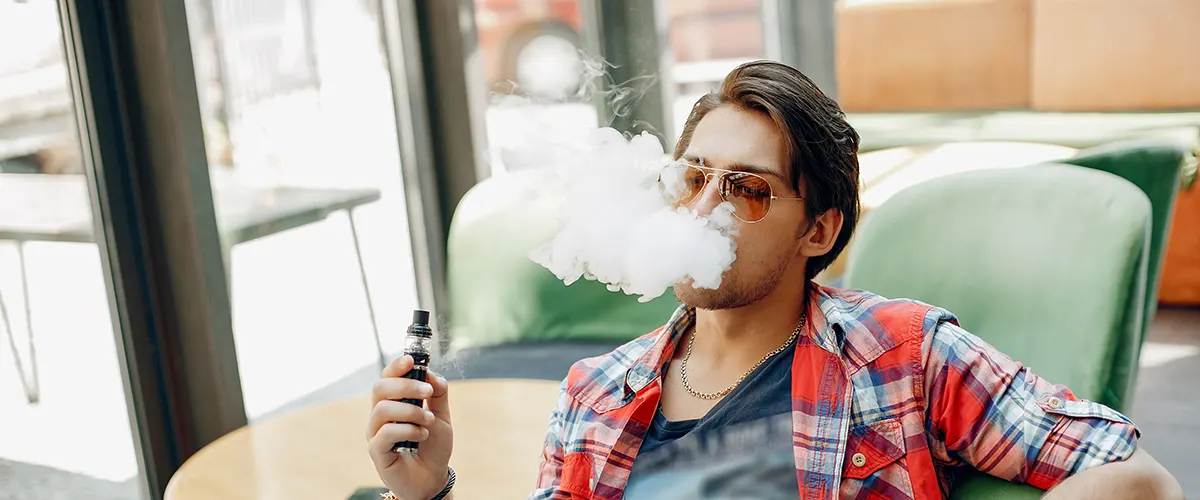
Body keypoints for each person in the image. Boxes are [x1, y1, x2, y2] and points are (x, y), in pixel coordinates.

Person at [365, 61, 1183, 500]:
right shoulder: (596, 393)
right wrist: (428, 489)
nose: (708, 209)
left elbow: (1136, 477)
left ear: (817, 230)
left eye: (749, 189)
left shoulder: (902, 355)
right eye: (693, 178)